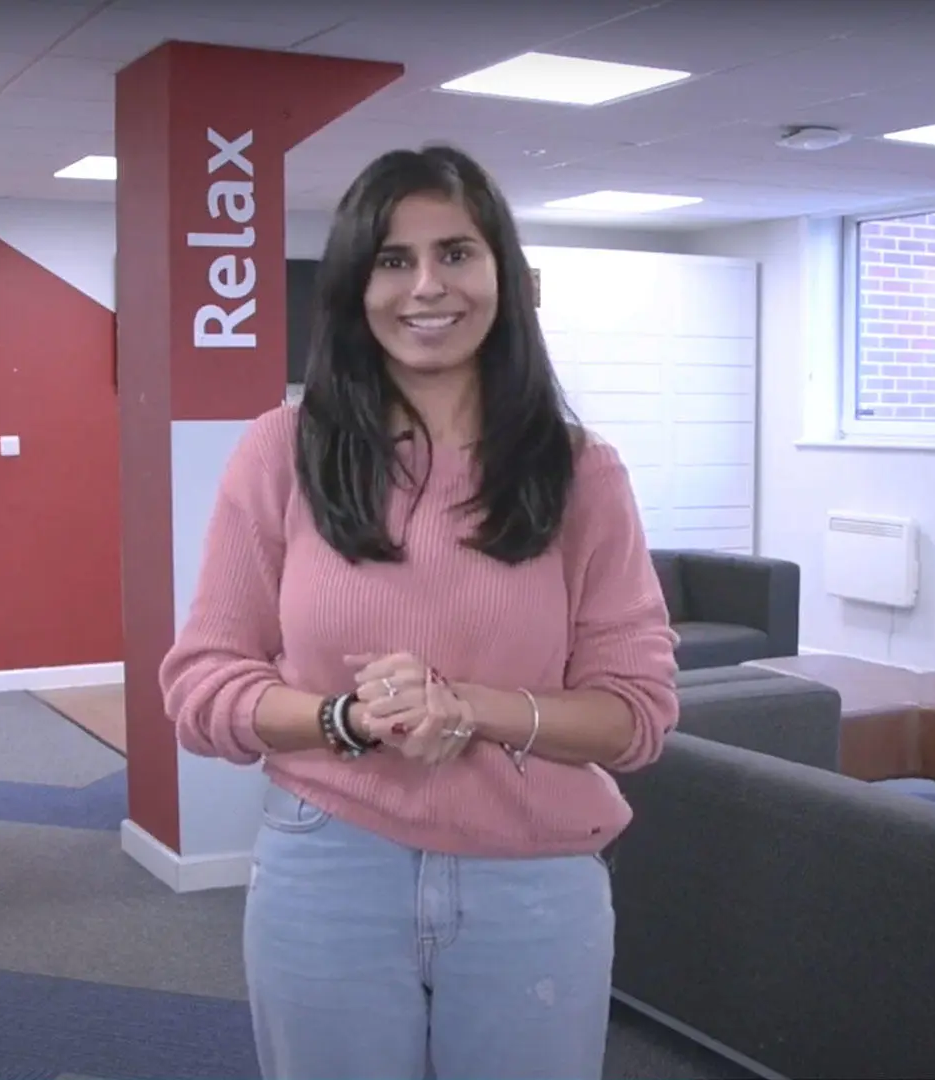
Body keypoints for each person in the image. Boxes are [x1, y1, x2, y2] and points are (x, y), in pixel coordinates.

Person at [159, 143, 680, 1080]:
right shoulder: (283, 452)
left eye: (456, 253)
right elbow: (202, 684)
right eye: (393, 260)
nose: (426, 287)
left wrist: (467, 706)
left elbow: (636, 718)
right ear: (356, 284)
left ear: (506, 276)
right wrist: (348, 720)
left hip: (535, 879)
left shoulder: (581, 472)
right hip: (330, 862)